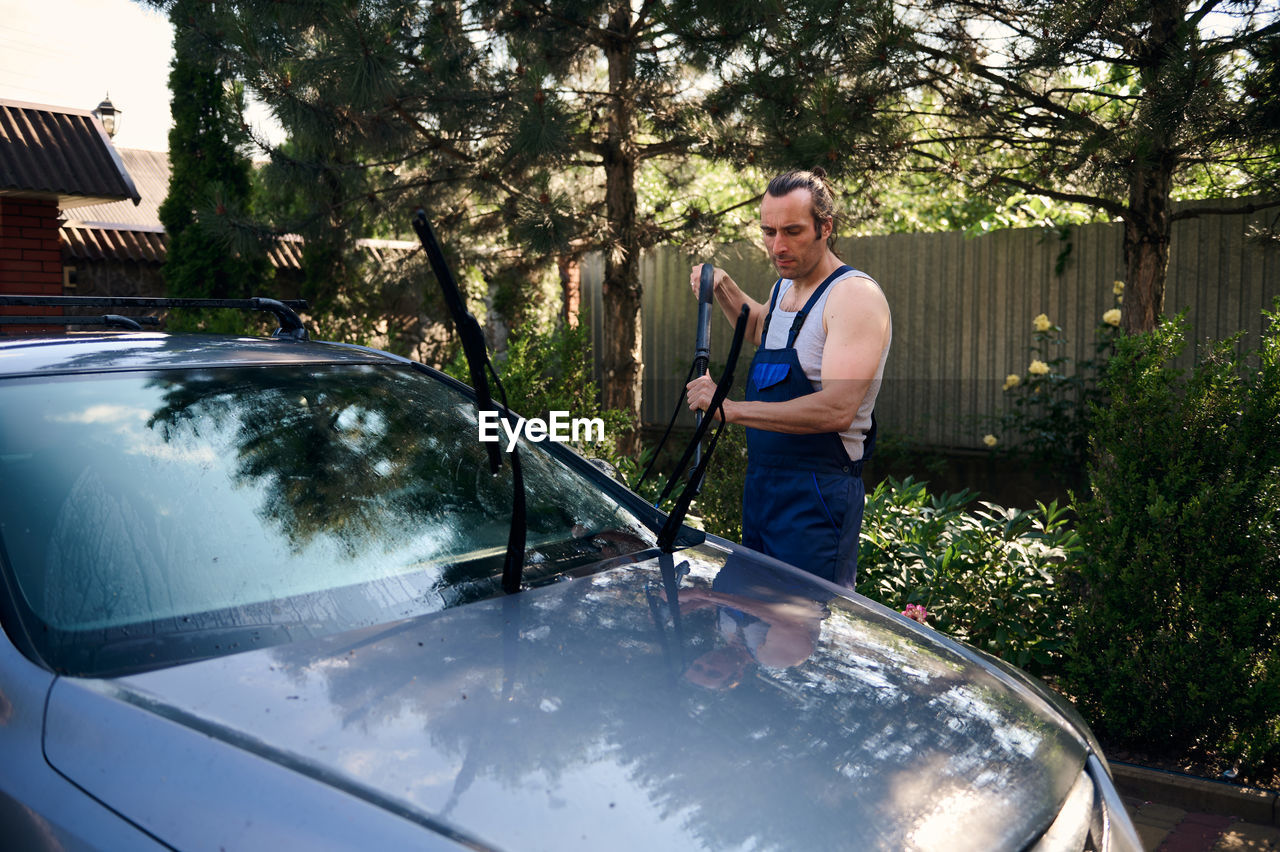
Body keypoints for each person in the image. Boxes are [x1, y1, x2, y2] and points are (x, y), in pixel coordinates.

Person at [686, 168, 891, 590]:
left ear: (825, 228)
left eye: (793, 231)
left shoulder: (853, 296)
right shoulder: (786, 287)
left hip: (817, 497)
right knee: (758, 622)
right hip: (764, 487)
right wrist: (724, 288)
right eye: (768, 231)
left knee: (800, 633)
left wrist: (731, 410)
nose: (777, 246)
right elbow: (763, 329)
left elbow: (838, 408)